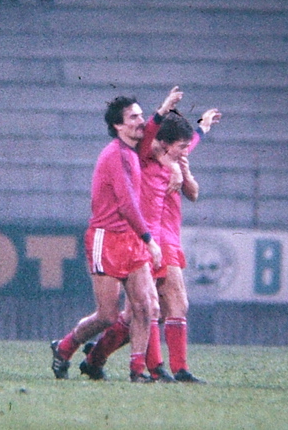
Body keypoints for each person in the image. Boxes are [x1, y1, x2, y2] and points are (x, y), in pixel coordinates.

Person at [79, 89, 221, 383]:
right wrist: (165, 108)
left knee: (152, 310)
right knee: (149, 309)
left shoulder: (174, 157)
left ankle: (101, 357)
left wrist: (202, 127)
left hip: (165, 238)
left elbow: (189, 146)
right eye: (178, 147)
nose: (185, 150)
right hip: (148, 238)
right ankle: (158, 368)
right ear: (162, 144)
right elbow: (153, 137)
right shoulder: (142, 157)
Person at [50, 95, 162, 383]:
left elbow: (149, 132)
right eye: (134, 117)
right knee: (107, 316)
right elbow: (126, 203)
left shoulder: (131, 150)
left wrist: (163, 110)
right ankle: (65, 347)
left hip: (130, 239)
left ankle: (137, 370)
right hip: (107, 238)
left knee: (146, 307)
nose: (141, 122)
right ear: (118, 126)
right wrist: (149, 239)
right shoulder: (115, 155)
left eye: (141, 115)